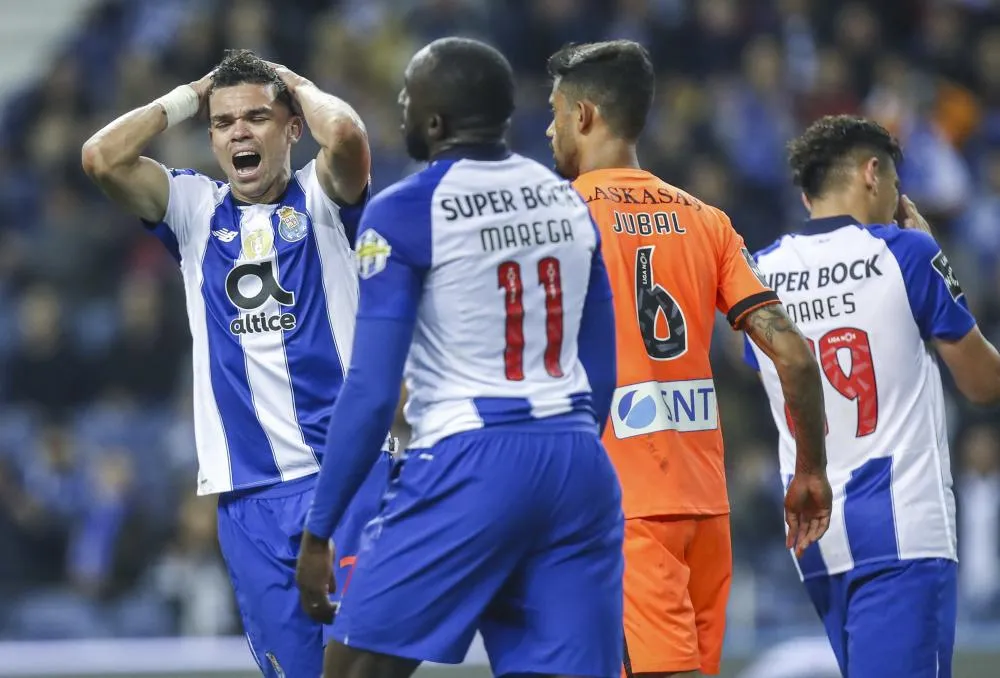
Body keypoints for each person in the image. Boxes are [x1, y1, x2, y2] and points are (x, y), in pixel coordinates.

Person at [295, 37, 623, 678]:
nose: (399, 110)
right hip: (578, 463)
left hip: (470, 459)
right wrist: (561, 457)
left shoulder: (403, 211)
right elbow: (602, 364)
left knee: (355, 669)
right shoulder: (568, 202)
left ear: (436, 122)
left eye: (407, 99)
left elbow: (369, 390)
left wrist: (319, 530)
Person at [81, 49, 393, 678]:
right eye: (223, 124)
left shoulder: (323, 194)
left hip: (348, 479)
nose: (239, 133)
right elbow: (100, 158)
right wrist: (188, 97)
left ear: (293, 127)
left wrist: (299, 83)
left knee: (359, 669)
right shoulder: (196, 209)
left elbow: (349, 136)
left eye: (257, 117)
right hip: (248, 500)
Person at [545, 40, 833, 677]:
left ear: (585, 115)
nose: (549, 128)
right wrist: (810, 469)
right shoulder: (708, 221)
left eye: (556, 112)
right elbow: (793, 353)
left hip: (622, 507)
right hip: (707, 509)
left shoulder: (559, 219)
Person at [744, 114, 1000, 678]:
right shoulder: (907, 253)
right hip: (903, 528)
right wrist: (939, 264)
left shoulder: (757, 273)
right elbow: (983, 382)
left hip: (817, 537)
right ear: (871, 173)